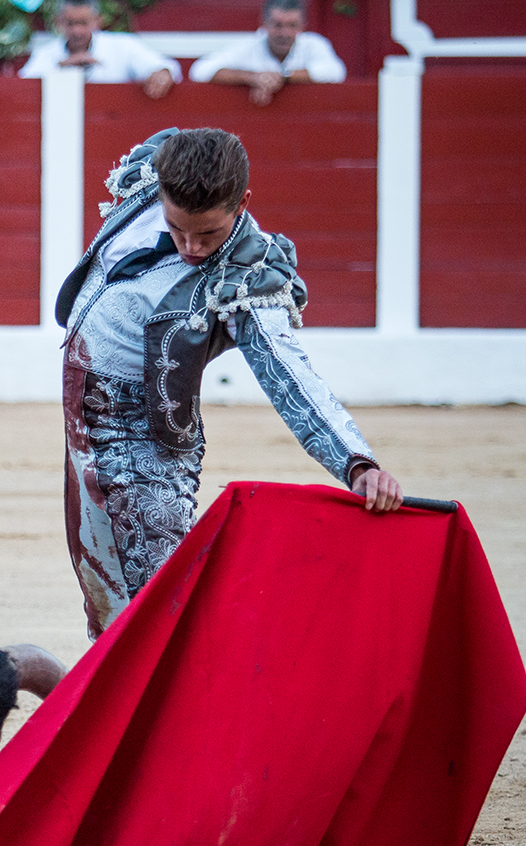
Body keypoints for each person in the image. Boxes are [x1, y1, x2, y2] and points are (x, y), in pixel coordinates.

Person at [56, 128, 402, 639]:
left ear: (242, 203)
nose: (192, 248)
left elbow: (289, 373)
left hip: (142, 441)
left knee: (157, 613)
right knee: (105, 604)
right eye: (177, 230)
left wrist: (355, 460)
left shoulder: (248, 274)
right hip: (81, 422)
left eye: (209, 235)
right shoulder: (150, 178)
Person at [190, 0, 346, 106]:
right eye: (278, 25)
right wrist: (252, 77)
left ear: (302, 26)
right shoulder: (248, 47)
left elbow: (336, 71)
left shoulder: (313, 44)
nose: (285, 33)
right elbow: (199, 71)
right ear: (264, 24)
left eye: (292, 25)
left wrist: (281, 77)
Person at [19, 0, 179, 99]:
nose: (77, 31)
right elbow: (21, 86)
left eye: (83, 23)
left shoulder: (123, 45)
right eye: (70, 23)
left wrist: (162, 73)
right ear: (59, 22)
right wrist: (60, 66)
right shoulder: (47, 53)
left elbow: (165, 67)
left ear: (97, 21)